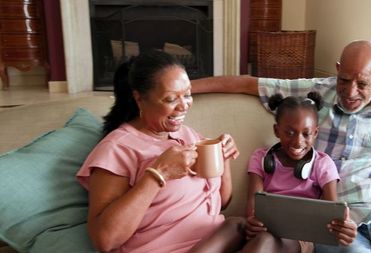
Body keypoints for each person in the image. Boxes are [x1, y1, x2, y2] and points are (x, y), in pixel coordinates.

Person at [191, 40, 371, 253]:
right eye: (344, 80)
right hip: (335, 227)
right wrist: (180, 90)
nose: (351, 92)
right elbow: (247, 84)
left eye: (362, 84)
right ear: (337, 70)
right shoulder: (316, 93)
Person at [76, 50, 245, 253]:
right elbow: (105, 240)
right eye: (171, 99)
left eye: (188, 94)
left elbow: (223, 202)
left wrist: (222, 156)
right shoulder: (118, 149)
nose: (184, 106)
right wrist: (158, 173)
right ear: (139, 99)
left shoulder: (189, 135)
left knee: (279, 240)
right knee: (240, 227)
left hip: (219, 243)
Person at [242, 92, 356, 253]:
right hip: (264, 232)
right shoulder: (260, 158)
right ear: (276, 130)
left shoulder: (323, 164)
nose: (298, 141)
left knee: (265, 240)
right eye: (289, 132)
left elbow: (333, 214)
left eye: (306, 133)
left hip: (299, 241)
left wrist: (345, 226)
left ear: (315, 133)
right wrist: (252, 221)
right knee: (239, 227)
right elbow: (252, 210)